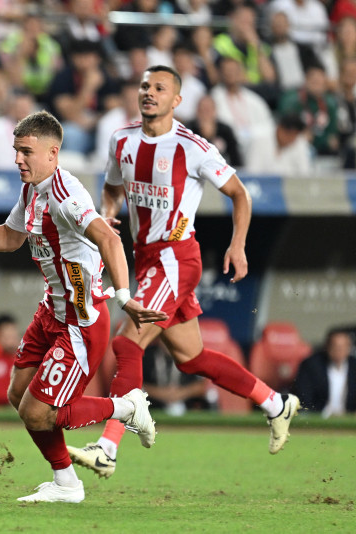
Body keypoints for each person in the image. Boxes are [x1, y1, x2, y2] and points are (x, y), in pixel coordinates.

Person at [67, 66, 301, 482]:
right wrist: (107, 213)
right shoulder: (121, 140)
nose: (149, 93)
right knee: (191, 359)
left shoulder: (194, 147)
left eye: (160, 88)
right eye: (144, 86)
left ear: (177, 100)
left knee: (126, 344)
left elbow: (239, 193)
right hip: (146, 259)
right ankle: (274, 403)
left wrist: (237, 244)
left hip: (177, 259)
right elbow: (112, 187)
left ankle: (107, 447)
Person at [0, 110, 166, 503]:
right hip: (50, 311)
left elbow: (110, 239)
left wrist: (125, 297)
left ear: (53, 153)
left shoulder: (66, 197)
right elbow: (9, 237)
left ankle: (125, 408)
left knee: (39, 412)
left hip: (80, 321)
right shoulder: (32, 189)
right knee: (19, 396)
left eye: (26, 152)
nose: (18, 159)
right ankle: (66, 483)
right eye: (16, 151)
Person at [293, 328, 356, 416]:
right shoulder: (311, 365)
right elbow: (304, 397)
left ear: (349, 348)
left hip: (348, 419)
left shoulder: (354, 366)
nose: (338, 350)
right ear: (327, 346)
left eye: (342, 347)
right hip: (319, 419)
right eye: (335, 346)